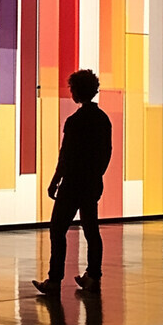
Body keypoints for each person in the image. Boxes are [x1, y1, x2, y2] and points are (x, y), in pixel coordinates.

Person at [33, 69, 112, 294]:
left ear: (78, 90)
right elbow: (106, 153)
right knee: (91, 230)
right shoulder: (102, 119)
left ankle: (55, 280)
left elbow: (65, 156)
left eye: (72, 88)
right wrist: (96, 176)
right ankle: (93, 277)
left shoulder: (75, 121)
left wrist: (55, 180)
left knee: (58, 230)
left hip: (72, 184)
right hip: (91, 183)